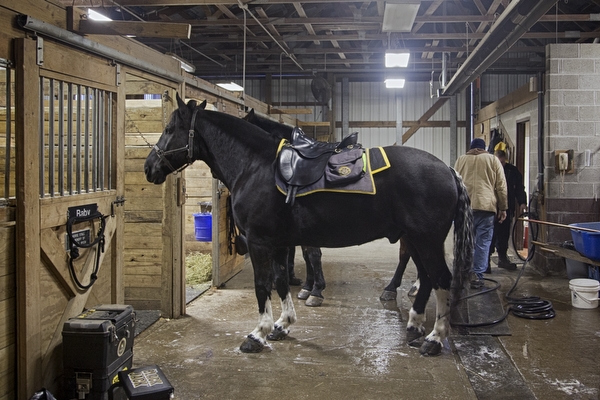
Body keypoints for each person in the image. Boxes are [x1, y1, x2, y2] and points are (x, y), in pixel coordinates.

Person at [454, 138, 508, 288]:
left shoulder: (461, 160)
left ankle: (463, 273)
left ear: (471, 148)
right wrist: (503, 208)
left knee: (465, 242)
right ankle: (477, 276)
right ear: (484, 148)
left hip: (465, 208)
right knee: (482, 242)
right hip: (486, 207)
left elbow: (454, 184)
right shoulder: (493, 160)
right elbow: (501, 186)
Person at [488, 149, 527, 271]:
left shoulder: (512, 171)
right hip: (492, 208)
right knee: (490, 235)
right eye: (499, 162)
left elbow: (519, 187)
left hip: (507, 207)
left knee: (504, 234)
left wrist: (522, 202)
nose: (501, 164)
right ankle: (485, 261)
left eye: (503, 162)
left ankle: (502, 258)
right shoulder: (489, 170)